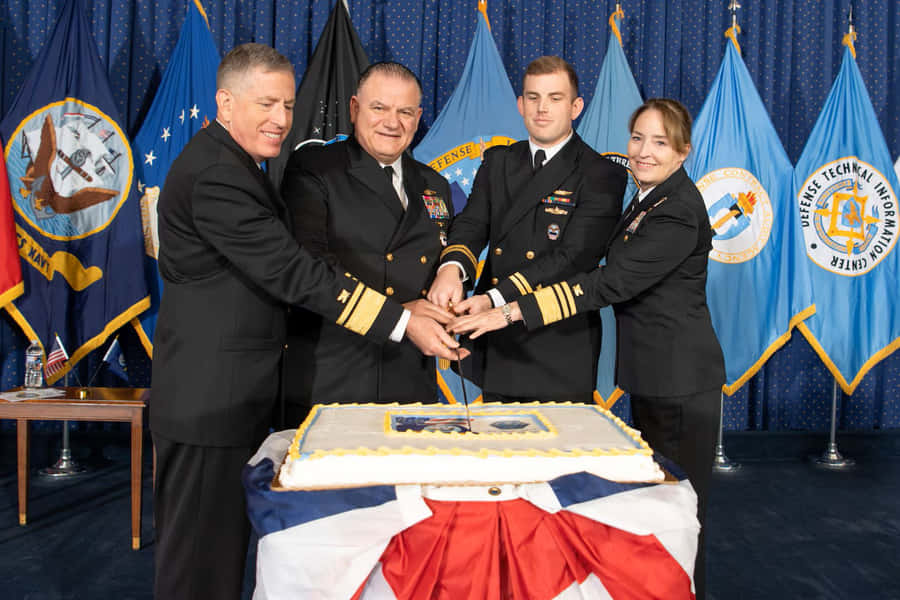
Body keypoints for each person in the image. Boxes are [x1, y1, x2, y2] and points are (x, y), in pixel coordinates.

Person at [150, 44, 463, 600]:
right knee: (201, 564)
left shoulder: (239, 164)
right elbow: (298, 273)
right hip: (211, 399)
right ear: (225, 103)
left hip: (240, 392)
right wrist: (402, 319)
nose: (280, 119)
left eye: (288, 105)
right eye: (266, 103)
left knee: (226, 558)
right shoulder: (219, 175)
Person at [448, 98, 725, 598]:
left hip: (681, 382)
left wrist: (508, 310)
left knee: (683, 512)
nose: (643, 151)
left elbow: (604, 285)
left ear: (683, 152)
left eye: (660, 142)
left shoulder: (678, 212)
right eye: (638, 138)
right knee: (661, 508)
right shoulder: (651, 200)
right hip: (656, 377)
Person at [427, 56, 626, 402]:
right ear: (520, 105)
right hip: (499, 343)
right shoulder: (498, 161)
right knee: (497, 452)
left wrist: (494, 298)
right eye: (533, 97)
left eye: (555, 98)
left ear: (576, 107)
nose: (542, 108)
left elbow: (573, 258)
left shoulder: (601, 174)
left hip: (559, 345)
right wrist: (451, 269)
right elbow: (472, 224)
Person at [280, 62, 453, 419]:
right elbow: (312, 269)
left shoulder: (434, 185)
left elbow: (440, 265)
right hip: (334, 378)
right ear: (355, 108)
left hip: (410, 382)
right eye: (380, 108)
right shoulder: (315, 168)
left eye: (405, 112)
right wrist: (403, 319)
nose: (393, 123)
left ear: (419, 116)